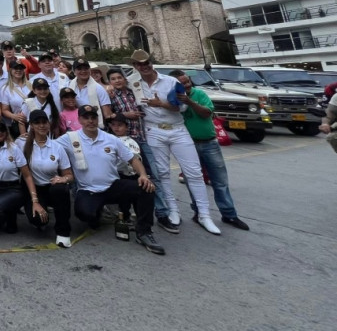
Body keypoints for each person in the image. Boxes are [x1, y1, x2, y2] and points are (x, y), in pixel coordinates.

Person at [129, 51, 220, 236]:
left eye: (146, 63)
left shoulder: (171, 82)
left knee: (193, 172)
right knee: (161, 172)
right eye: (139, 64)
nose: (143, 66)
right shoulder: (133, 82)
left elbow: (183, 107)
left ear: (151, 63)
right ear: (135, 66)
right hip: (153, 130)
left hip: (177, 129)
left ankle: (204, 214)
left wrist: (161, 104)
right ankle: (173, 210)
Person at [60, 105, 165, 255]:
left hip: (113, 186)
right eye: (86, 118)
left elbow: (132, 159)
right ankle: (96, 214)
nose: (90, 121)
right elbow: (49, 146)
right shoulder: (69, 138)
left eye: (93, 117)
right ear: (80, 120)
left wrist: (142, 174)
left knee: (145, 187)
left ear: (98, 119)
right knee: (84, 215)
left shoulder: (110, 139)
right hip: (88, 189)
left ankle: (144, 232)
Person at [171, 71, 250, 231]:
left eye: (188, 82)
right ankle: (198, 212)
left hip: (209, 143)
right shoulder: (172, 98)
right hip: (188, 146)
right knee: (193, 180)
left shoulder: (199, 93)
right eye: (182, 84)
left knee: (220, 181)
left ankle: (229, 214)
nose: (187, 85)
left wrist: (190, 101)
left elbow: (207, 113)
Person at [106, 66, 170, 223]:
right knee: (125, 177)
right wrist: (124, 115)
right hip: (122, 141)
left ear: (124, 78)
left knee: (152, 174)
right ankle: (125, 213)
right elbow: (108, 116)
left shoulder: (135, 92)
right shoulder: (111, 96)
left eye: (119, 77)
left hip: (140, 138)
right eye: (113, 79)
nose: (117, 81)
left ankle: (162, 212)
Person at [21, 110, 74, 247]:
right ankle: (40, 219)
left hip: (52, 187)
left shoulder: (57, 147)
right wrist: (35, 201)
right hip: (34, 189)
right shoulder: (23, 146)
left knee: (61, 190)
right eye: (37, 123)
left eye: (44, 122)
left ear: (49, 124)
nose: (41, 125)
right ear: (31, 125)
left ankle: (63, 231)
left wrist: (64, 179)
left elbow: (69, 175)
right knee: (38, 220)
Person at [70, 58, 113, 124]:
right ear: (74, 71)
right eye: (79, 69)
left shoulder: (98, 88)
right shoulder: (68, 86)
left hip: (94, 125)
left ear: (89, 70)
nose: (83, 71)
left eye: (86, 69)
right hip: (74, 125)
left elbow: (107, 113)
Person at [0, 60, 30, 139]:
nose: (18, 70)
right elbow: (4, 110)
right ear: (10, 70)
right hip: (18, 123)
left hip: (34, 122)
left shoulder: (31, 85)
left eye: (21, 68)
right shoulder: (5, 89)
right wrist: (14, 116)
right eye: (16, 68)